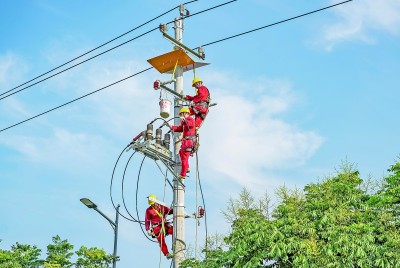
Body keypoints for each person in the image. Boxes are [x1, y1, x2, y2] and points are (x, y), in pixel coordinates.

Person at [168, 107, 196, 179]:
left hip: (188, 142)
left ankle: (183, 174)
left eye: (182, 114)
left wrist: (184, 120)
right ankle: (187, 167)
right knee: (181, 152)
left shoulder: (190, 119)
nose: (181, 115)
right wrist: (171, 127)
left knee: (184, 158)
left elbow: (190, 125)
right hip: (187, 142)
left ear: (186, 113)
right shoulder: (185, 121)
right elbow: (180, 128)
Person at [145, 194, 174, 259]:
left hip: (165, 225)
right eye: (151, 204)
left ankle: (174, 246)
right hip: (157, 228)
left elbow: (169, 211)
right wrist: (148, 229)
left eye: (153, 203)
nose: (153, 205)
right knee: (161, 240)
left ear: (156, 201)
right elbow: (147, 220)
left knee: (174, 230)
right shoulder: (149, 210)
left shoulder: (162, 206)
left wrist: (176, 209)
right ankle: (167, 254)